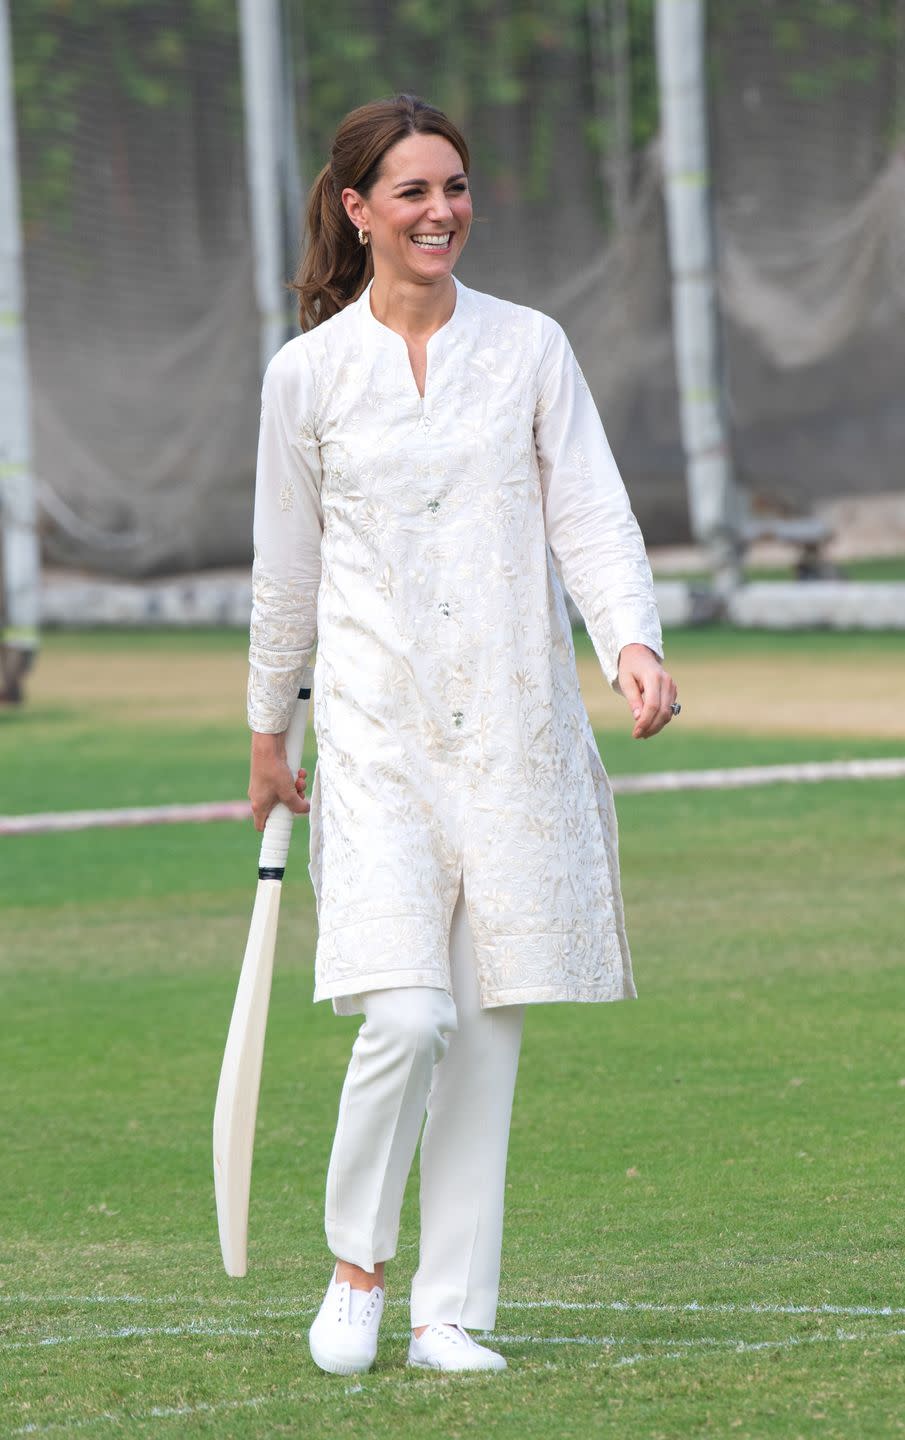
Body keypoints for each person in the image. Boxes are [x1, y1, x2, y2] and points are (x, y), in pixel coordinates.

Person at [246, 93, 678, 1376]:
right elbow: (285, 572)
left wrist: (631, 644)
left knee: (486, 1031)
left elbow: (589, 515)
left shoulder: (531, 347)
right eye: (414, 192)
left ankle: (449, 1314)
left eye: (456, 188)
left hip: (514, 731)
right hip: (374, 739)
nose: (442, 212)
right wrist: (270, 732)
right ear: (357, 209)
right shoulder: (306, 375)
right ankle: (355, 1268)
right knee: (408, 1018)